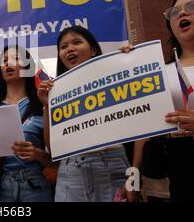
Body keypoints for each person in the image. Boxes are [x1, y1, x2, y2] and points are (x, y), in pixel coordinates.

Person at [38, 26, 130, 202]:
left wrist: (130, 59)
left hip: (113, 164)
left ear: (94, 49)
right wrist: (48, 106)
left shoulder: (115, 77)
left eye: (77, 42)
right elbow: (52, 147)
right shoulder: (55, 92)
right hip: (71, 170)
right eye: (63, 46)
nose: (70, 49)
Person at [0, 45, 52, 202]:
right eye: (4, 61)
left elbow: (57, 159)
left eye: (16, 59)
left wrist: (38, 154)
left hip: (35, 185)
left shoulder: (42, 102)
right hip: (0, 186)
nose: (8, 64)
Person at [159, 0, 194, 201]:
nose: (181, 14)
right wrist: (130, 61)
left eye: (191, 7)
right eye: (174, 12)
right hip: (181, 169)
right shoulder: (160, 72)